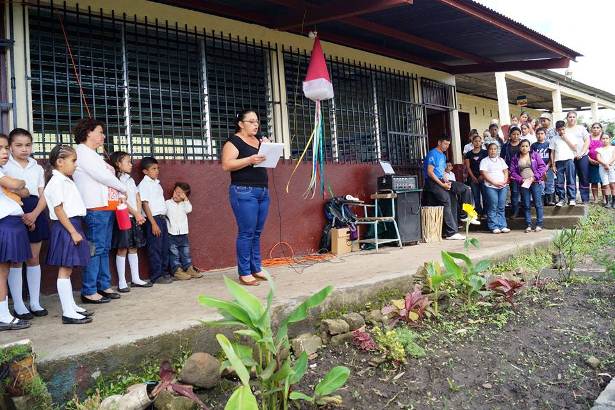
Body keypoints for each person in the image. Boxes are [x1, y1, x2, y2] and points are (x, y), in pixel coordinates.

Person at [73, 119, 127, 303]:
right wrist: (123, 188)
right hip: (95, 208)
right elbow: (102, 176)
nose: (103, 136)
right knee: (95, 249)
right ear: (88, 132)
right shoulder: (83, 153)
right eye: (100, 132)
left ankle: (103, 285)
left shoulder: (93, 154)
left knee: (103, 248)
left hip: (106, 207)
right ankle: (89, 289)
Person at [44, 145, 93, 324]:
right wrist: (72, 231)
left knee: (69, 268)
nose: (75, 165)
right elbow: (58, 209)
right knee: (64, 270)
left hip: (73, 225)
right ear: (60, 162)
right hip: (67, 226)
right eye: (73, 161)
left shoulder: (64, 179)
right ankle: (68, 313)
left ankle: (71, 306)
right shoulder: (57, 182)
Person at [221, 110, 272, 285]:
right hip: (244, 191)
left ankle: (256, 268)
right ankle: (244, 272)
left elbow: (266, 161)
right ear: (241, 124)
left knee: (257, 233)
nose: (256, 124)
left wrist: (268, 148)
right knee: (246, 233)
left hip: (262, 191)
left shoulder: (259, 140)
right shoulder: (233, 141)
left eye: (257, 121)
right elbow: (227, 165)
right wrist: (250, 159)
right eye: (251, 121)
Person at [4, 128, 49, 319]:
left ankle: (35, 302)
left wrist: (35, 214)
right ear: (11, 147)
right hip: (14, 211)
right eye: (18, 145)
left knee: (33, 258)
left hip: (36, 210)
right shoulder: (5, 166)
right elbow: (9, 192)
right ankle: (19, 305)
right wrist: (23, 213)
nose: (24, 149)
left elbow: (43, 193)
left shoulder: (37, 167)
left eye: (28, 145)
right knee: (16, 260)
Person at [0, 134, 31, 331]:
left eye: (5, 148)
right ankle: (3, 316)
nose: (4, 152)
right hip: (5, 224)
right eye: (0, 148)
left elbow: (25, 191)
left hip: (11, 224)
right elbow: (19, 186)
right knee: (1, 273)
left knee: (5, 271)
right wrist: (15, 183)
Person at [108, 151, 151, 292]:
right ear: (118, 164)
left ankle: (136, 278)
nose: (131, 164)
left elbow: (137, 197)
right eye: (127, 161)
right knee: (122, 248)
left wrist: (138, 214)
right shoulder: (116, 180)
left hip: (135, 217)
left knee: (134, 247)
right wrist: (136, 214)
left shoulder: (130, 180)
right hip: (123, 217)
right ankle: (122, 281)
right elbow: (122, 201)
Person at [422, 135, 476, 241]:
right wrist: (442, 185)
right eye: (445, 144)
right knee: (446, 199)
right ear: (439, 142)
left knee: (466, 189)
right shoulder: (433, 153)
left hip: (442, 180)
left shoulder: (443, 155)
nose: (447, 146)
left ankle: (464, 215)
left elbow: (441, 171)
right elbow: (430, 172)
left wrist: (445, 180)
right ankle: (451, 233)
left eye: (448, 144)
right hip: (432, 182)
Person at [138, 156, 172, 284]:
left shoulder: (156, 183)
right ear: (145, 172)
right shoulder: (144, 184)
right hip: (154, 220)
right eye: (153, 169)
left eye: (157, 168)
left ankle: (164, 272)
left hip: (161, 219)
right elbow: (145, 204)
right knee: (155, 248)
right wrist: (153, 223)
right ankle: (156, 276)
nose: (157, 171)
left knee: (163, 247)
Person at [166, 182, 202, 280]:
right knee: (174, 253)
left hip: (183, 233)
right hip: (171, 234)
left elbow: (189, 209)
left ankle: (188, 268)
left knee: (185, 252)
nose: (177, 195)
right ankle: (177, 271)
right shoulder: (167, 203)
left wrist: (185, 199)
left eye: (180, 193)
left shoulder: (184, 204)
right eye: (176, 192)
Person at [510, 140, 547, 232]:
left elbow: (542, 167)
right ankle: (528, 225)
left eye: (526, 146)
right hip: (524, 184)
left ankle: (539, 224)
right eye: (522, 146)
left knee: (538, 204)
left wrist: (534, 177)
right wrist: (521, 179)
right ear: (519, 147)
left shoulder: (535, 155)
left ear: (529, 147)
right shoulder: (515, 157)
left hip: (535, 182)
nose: (524, 148)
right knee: (526, 204)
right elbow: (513, 171)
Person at [480, 143, 510, 234]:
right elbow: (483, 173)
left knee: (501, 206)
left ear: (497, 150)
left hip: (502, 186)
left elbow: (505, 171)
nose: (493, 151)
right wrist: (494, 183)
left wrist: (504, 181)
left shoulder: (501, 160)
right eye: (491, 149)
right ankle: (494, 226)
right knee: (493, 205)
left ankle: (502, 225)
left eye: (495, 149)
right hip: (491, 186)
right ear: (488, 150)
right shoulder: (484, 161)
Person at [550, 120, 578, 207]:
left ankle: (572, 198)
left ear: (565, 128)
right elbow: (552, 152)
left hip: (569, 160)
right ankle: (561, 199)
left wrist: (566, 139)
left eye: (562, 129)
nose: (561, 131)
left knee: (571, 179)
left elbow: (574, 148)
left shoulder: (572, 136)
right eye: (559, 130)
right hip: (558, 162)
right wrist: (553, 164)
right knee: (559, 181)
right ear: (556, 130)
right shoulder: (554, 139)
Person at [565, 111, 590, 203]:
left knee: (584, 177)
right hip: (569, 157)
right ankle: (572, 198)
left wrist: (582, 153)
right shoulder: (565, 130)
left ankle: (585, 199)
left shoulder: (581, 128)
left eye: (573, 117)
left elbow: (587, 141)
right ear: (567, 118)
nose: (572, 118)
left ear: (576, 118)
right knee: (570, 177)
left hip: (582, 156)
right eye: (570, 117)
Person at [500, 126, 522, 216]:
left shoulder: (523, 144)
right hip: (511, 172)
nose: (515, 136)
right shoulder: (505, 146)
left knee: (524, 191)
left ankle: (524, 211)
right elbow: (501, 159)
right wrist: (506, 170)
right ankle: (515, 211)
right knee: (514, 192)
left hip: (523, 171)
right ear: (510, 135)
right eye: (513, 134)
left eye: (517, 134)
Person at [464, 134, 488, 216]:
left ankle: (485, 212)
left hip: (483, 177)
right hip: (472, 178)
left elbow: (487, 166)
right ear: (472, 142)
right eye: (475, 141)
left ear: (481, 142)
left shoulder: (485, 153)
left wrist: (482, 175)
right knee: (476, 197)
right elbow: (468, 167)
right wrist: (473, 177)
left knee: (485, 196)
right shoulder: (468, 154)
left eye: (479, 141)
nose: (477, 143)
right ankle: (479, 212)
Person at [531, 128, 555, 206]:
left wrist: (547, 166)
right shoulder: (534, 145)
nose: (540, 135)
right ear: (536, 135)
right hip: (538, 169)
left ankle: (550, 200)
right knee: (540, 184)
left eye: (542, 133)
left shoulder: (548, 144)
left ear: (545, 135)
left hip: (548, 167)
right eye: (538, 134)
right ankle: (541, 201)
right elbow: (532, 158)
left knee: (549, 183)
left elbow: (552, 156)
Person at [596, 133, 615, 208]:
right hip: (602, 168)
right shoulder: (599, 149)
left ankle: (614, 202)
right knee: (606, 185)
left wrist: (608, 164)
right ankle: (608, 202)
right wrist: (605, 164)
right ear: (601, 140)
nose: (605, 140)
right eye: (603, 138)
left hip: (612, 167)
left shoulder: (613, 148)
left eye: (606, 138)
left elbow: (614, 157)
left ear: (610, 139)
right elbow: (598, 158)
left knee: (613, 185)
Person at [588, 123, 606, 204]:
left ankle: (605, 199)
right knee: (594, 181)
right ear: (591, 129)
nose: (595, 129)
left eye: (597, 127)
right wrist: (589, 159)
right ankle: (595, 199)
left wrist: (601, 161)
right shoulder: (588, 138)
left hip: (603, 163)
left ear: (601, 129)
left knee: (604, 181)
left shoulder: (604, 137)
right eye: (594, 127)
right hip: (591, 163)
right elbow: (585, 149)